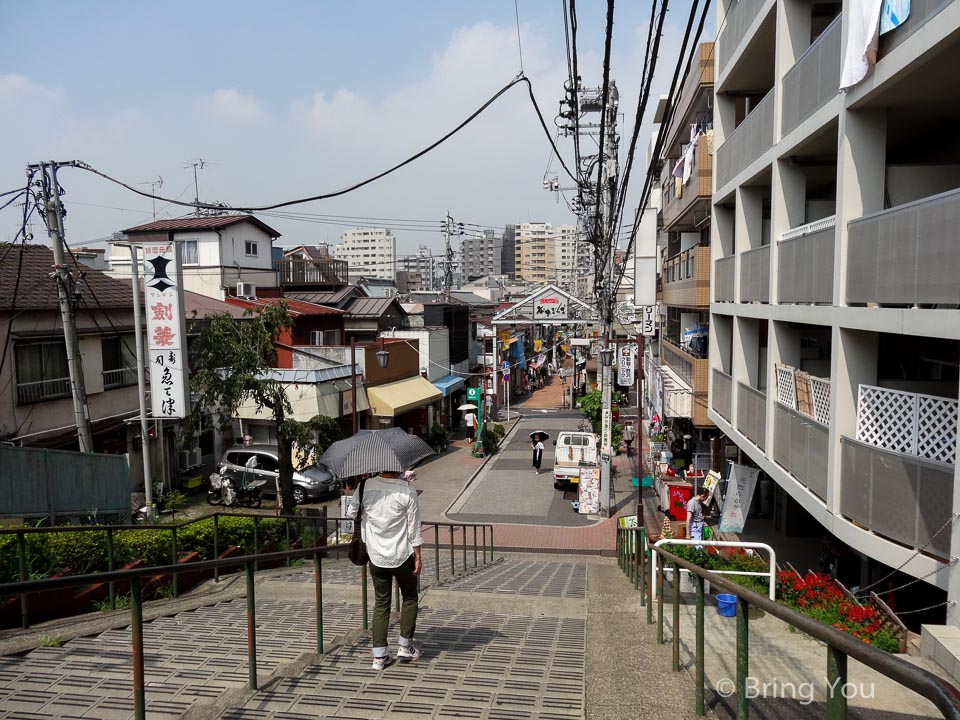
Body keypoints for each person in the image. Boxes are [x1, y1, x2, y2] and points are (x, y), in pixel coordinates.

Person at [346, 470, 423, 670]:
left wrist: (370, 519)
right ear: (399, 468)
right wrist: (418, 557)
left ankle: (379, 657)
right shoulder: (407, 491)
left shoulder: (364, 486)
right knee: (410, 596)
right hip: (402, 555)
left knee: (381, 603)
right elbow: (414, 528)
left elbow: (351, 512)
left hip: (376, 556)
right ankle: (405, 646)